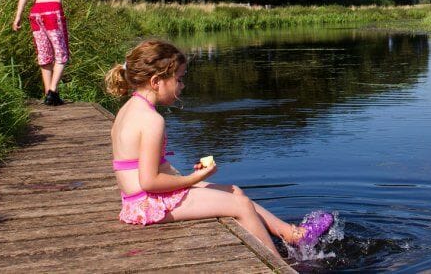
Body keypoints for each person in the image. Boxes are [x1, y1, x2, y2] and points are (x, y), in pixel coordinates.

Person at [103, 40, 332, 265]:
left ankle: (291, 234)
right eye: (179, 79)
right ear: (156, 82)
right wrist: (195, 178)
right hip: (148, 205)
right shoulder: (152, 120)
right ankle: (279, 266)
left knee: (235, 191)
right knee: (240, 206)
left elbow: (144, 168)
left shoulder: (129, 109)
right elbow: (150, 181)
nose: (182, 86)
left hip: (137, 200)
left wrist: (186, 179)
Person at [12, 0, 72, 106]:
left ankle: (48, 94)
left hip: (36, 13)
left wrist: (18, 16)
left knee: (44, 54)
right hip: (53, 12)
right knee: (61, 54)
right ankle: (53, 91)